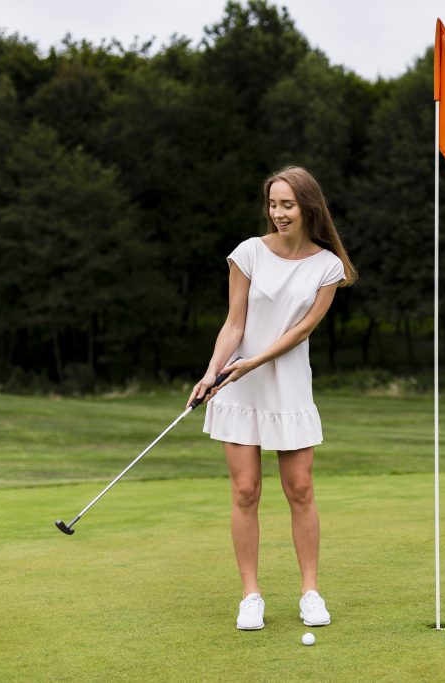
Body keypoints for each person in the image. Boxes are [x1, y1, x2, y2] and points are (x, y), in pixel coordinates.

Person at [187, 166, 357, 630]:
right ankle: (251, 595)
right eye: (273, 204)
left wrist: (255, 361)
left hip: (286, 384)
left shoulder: (328, 266)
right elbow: (234, 324)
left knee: (299, 489)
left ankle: (310, 593)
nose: (278, 213)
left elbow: (301, 330)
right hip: (239, 382)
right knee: (245, 491)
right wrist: (211, 372)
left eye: (288, 204)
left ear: (308, 207)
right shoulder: (247, 254)